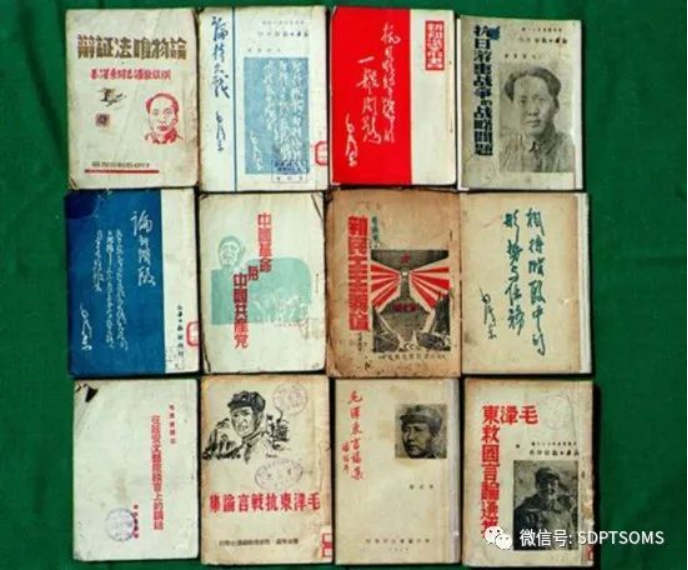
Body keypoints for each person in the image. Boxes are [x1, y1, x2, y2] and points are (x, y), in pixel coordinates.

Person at [500, 67, 574, 173]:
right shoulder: (502, 152)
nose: (532, 111)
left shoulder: (571, 151)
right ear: (513, 107)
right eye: (522, 101)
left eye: (541, 100)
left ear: (556, 105)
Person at [202, 391, 281, 463]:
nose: (239, 421)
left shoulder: (267, 448)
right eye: (235, 415)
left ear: (259, 417)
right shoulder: (237, 451)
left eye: (245, 413)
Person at [513, 467, 576, 550]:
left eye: (553, 484)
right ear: (536, 486)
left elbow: (572, 545)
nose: (548, 487)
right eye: (543, 483)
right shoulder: (521, 513)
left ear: (557, 487)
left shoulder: (564, 514)